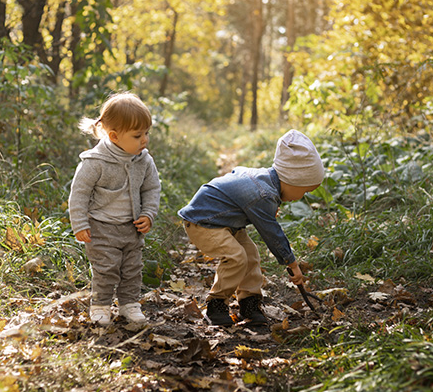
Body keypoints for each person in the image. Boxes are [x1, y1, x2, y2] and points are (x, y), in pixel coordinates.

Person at [178, 129, 325, 326]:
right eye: (305, 190)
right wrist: (292, 264)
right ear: (292, 179)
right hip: (203, 222)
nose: (303, 195)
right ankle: (216, 304)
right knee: (236, 256)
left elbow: (237, 175)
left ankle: (249, 302)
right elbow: (272, 234)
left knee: (251, 255)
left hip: (226, 224)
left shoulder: (264, 181)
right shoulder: (263, 195)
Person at [68, 93, 161, 326]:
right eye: (137, 135)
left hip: (131, 227)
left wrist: (148, 213)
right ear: (114, 136)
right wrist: (80, 224)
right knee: (106, 269)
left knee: (132, 268)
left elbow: (151, 188)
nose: (144, 140)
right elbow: (79, 193)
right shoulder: (94, 162)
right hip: (101, 227)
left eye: (146, 133)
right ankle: (100, 305)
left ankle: (130, 304)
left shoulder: (144, 160)